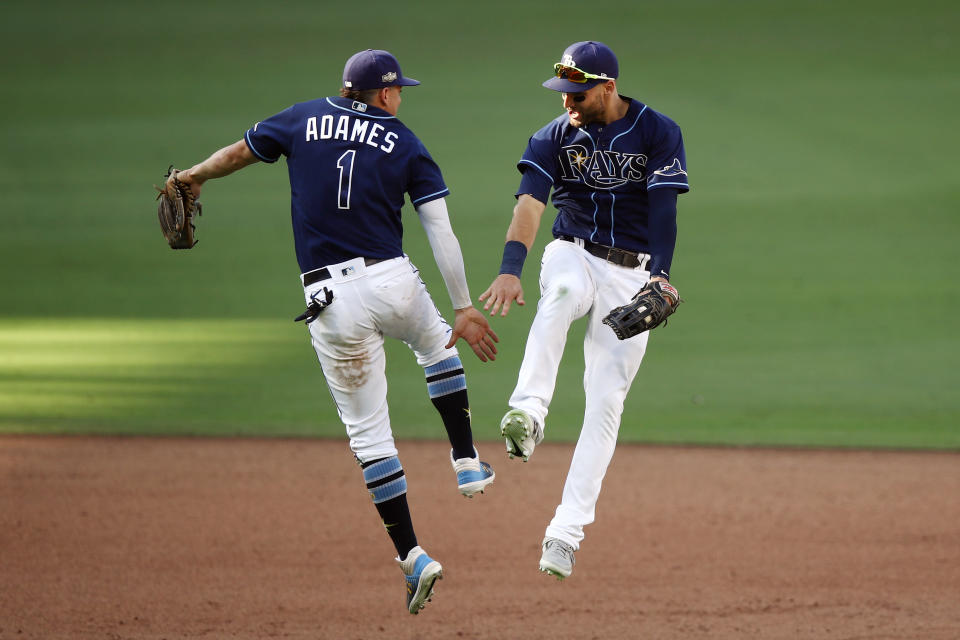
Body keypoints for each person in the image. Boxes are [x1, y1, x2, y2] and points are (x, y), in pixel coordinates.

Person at [165, 49, 499, 614]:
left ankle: (413, 556)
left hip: (330, 300)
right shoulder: (407, 141)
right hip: (393, 280)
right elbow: (440, 231)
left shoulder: (300, 118)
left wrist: (192, 176)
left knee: (370, 437)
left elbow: (237, 154)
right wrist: (464, 306)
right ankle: (466, 460)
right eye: (400, 90)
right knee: (438, 344)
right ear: (386, 94)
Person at [479, 41, 689, 580]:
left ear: (608, 87)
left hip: (632, 272)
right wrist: (510, 267)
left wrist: (659, 276)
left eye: (579, 92)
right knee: (564, 294)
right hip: (571, 250)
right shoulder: (553, 136)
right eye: (564, 92)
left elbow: (664, 211)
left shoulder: (657, 131)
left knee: (606, 403)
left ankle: (564, 536)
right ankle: (528, 411)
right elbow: (529, 206)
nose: (569, 102)